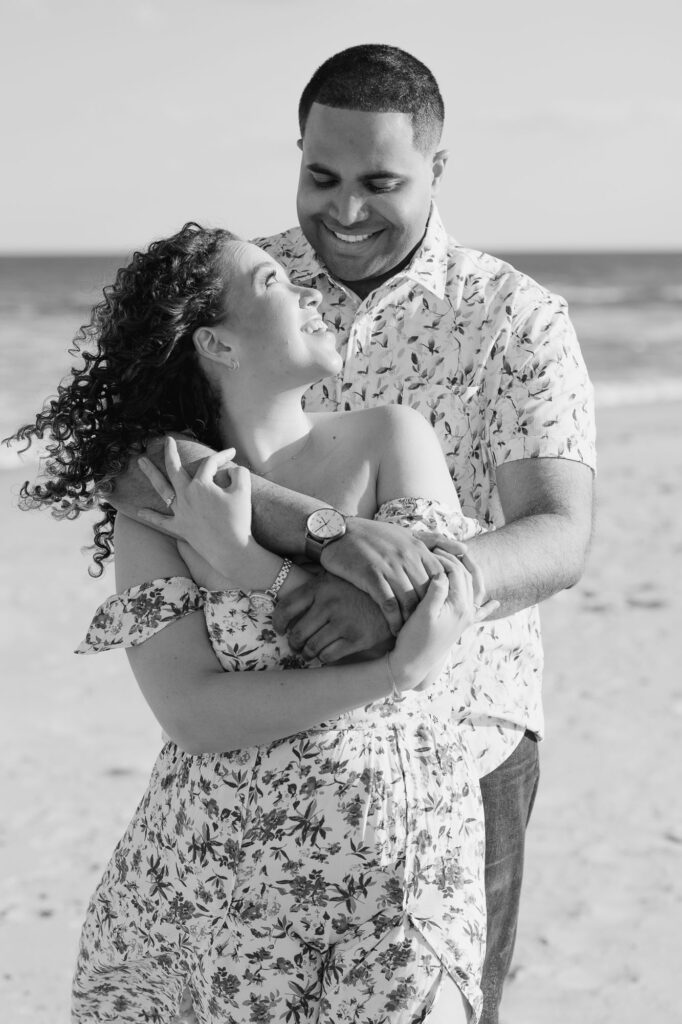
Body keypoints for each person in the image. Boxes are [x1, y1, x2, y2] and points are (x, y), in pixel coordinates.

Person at [112, 45, 596, 1024]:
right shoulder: (247, 288)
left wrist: (399, 592)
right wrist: (328, 536)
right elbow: (137, 460)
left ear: (436, 170)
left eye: (380, 182)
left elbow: (556, 535)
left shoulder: (513, 317)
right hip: (268, 728)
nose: (344, 210)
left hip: (466, 731)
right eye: (320, 176)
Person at [8, 223, 503, 1022]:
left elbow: (422, 610)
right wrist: (385, 677)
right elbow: (193, 715)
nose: (309, 292)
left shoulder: (387, 438)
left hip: (392, 887)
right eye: (275, 283)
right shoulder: (156, 500)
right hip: (206, 894)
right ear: (219, 344)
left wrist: (250, 566)